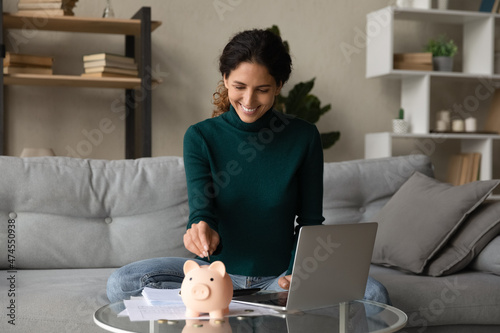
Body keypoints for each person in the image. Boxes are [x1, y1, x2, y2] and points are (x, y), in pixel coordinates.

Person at [106, 28, 391, 305]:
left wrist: (295, 276)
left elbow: (310, 224)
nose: (249, 101)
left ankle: (244, 305)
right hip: (215, 276)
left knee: (374, 294)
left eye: (263, 90)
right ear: (225, 78)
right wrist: (201, 229)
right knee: (123, 281)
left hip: (279, 277)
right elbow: (201, 212)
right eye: (239, 87)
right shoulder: (201, 136)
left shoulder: (303, 137)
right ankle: (226, 303)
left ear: (279, 86)